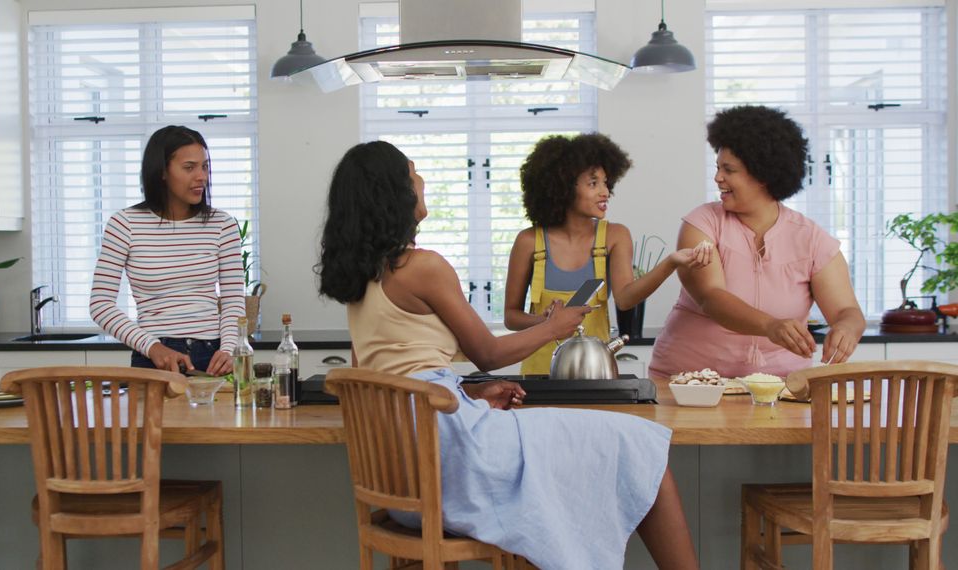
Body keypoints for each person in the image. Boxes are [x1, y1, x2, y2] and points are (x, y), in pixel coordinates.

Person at [316, 140, 699, 570]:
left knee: (594, 457)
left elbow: (395, 375)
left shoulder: (360, 279)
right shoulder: (423, 267)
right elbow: (488, 352)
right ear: (395, 192)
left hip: (404, 476)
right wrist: (553, 326)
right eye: (413, 172)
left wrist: (469, 394)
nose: (421, 180)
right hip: (449, 468)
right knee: (639, 446)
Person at [649, 106, 866, 380]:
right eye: (718, 168)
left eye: (729, 170)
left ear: (763, 175)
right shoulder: (702, 223)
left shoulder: (812, 239)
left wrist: (846, 328)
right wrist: (770, 326)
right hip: (689, 381)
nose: (718, 178)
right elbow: (711, 297)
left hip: (780, 385)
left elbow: (847, 311)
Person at [504, 133, 712, 375]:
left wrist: (671, 262)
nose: (605, 192)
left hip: (596, 372)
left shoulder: (615, 236)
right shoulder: (528, 242)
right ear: (560, 186)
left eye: (605, 182)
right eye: (593, 184)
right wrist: (548, 323)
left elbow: (625, 299)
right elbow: (511, 316)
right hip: (539, 373)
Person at [90, 125, 244, 376]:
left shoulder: (222, 225)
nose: (201, 176)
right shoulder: (125, 224)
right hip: (154, 358)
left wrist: (228, 349)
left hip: (212, 357)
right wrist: (153, 347)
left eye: (204, 166)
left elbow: (233, 300)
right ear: (162, 171)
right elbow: (101, 304)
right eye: (189, 167)